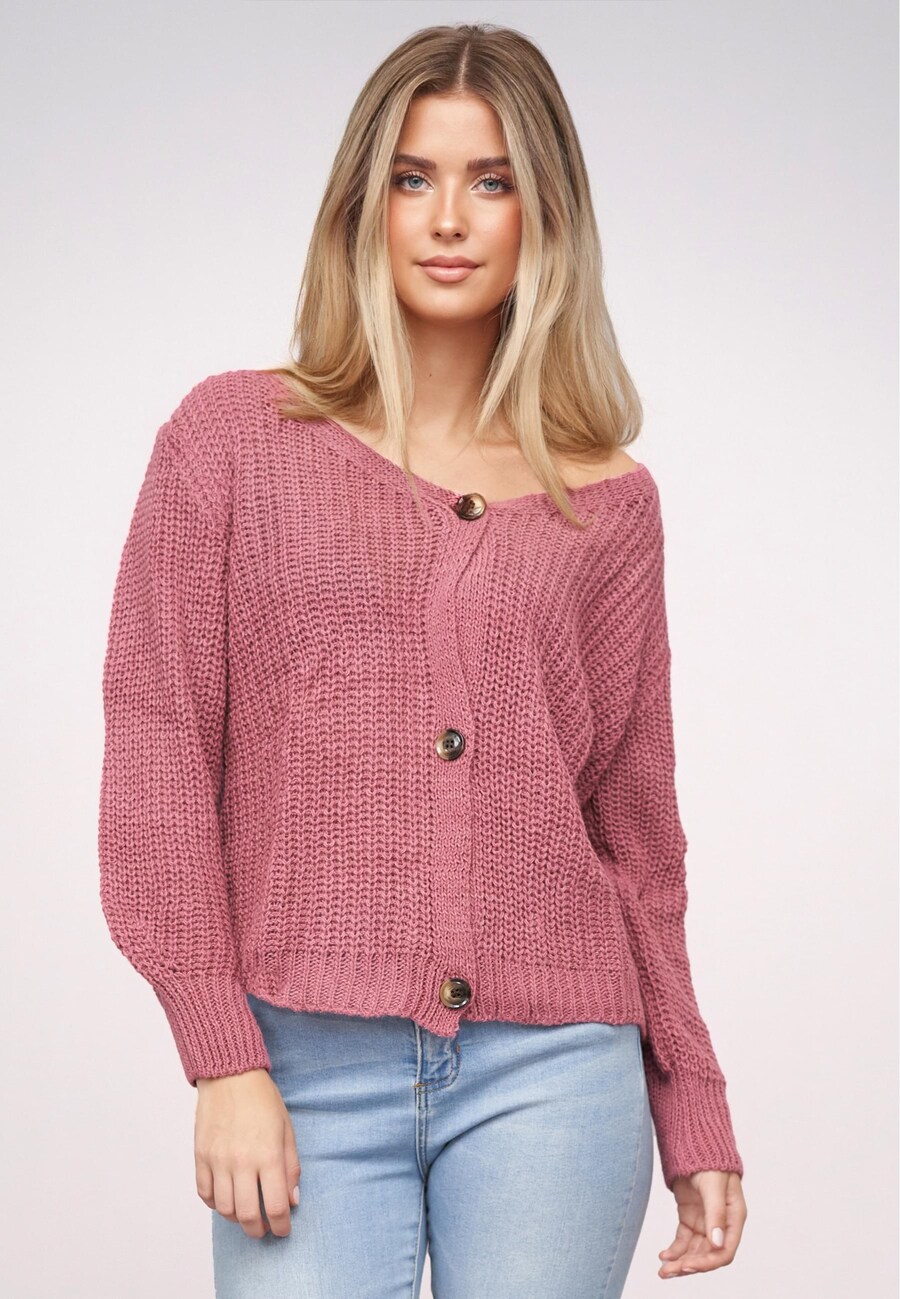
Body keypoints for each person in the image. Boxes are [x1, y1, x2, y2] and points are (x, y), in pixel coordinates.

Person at [98, 21, 747, 1298]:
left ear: (544, 214)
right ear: (364, 204)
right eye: (413, 178)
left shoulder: (610, 503)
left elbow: (635, 833)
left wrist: (695, 1101)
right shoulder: (231, 441)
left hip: (558, 1070)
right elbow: (158, 745)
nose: (449, 218)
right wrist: (222, 1056)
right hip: (302, 1065)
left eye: (491, 180)